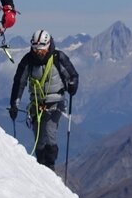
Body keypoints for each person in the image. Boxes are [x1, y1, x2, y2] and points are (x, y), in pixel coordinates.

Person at [9, 29, 79, 170]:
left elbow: (73, 75)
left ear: (48, 46)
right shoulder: (28, 60)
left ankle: (50, 165)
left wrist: (72, 86)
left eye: (41, 49)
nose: (38, 52)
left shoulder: (58, 58)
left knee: (49, 132)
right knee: (39, 138)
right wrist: (14, 104)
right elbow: (19, 82)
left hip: (55, 103)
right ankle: (42, 166)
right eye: (36, 49)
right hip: (37, 104)